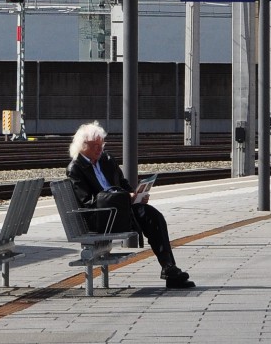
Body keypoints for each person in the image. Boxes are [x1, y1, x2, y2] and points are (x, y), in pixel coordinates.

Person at [65, 122, 192, 288]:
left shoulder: (106, 160)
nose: (100, 149)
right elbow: (88, 202)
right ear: (83, 145)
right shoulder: (76, 168)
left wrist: (136, 195)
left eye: (101, 144)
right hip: (102, 218)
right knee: (149, 217)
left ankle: (169, 268)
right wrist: (126, 198)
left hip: (119, 212)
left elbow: (123, 184)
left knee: (153, 215)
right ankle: (169, 268)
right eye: (95, 145)